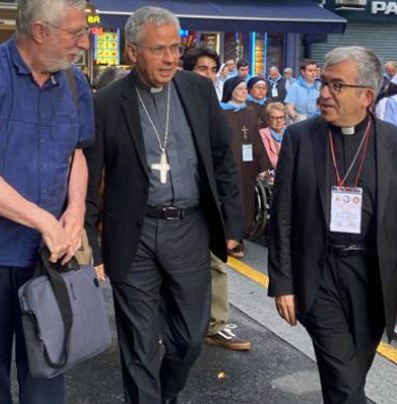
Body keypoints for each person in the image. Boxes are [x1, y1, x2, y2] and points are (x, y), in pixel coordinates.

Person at [84, 7, 244, 403]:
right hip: (132, 235)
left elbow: (224, 158)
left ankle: (165, 393)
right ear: (133, 51)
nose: (171, 58)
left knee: (190, 338)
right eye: (159, 49)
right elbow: (90, 178)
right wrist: (93, 242)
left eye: (175, 47)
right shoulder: (106, 103)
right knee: (138, 343)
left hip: (189, 228)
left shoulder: (198, 89)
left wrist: (233, 224)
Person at [0, 0, 93, 402]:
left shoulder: (74, 83)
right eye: (75, 33)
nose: (85, 41)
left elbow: (76, 153)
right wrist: (45, 220)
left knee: (48, 360)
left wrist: (75, 208)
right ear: (40, 31)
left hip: (45, 254)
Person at [268, 46, 397, 404]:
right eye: (324, 83)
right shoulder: (300, 138)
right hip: (319, 274)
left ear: (366, 96)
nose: (323, 94)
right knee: (346, 384)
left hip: (372, 279)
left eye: (336, 86)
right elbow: (282, 216)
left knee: (347, 378)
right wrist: (282, 283)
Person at [182, 46, 253, 351]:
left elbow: (225, 162)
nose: (209, 76)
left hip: (207, 202)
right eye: (202, 69)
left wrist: (234, 221)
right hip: (172, 203)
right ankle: (168, 324)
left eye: (213, 70)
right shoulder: (171, 101)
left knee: (216, 264)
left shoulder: (215, 107)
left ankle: (215, 325)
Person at [221, 76, 271, 244]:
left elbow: (256, 138)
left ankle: (241, 233)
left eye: (245, 89)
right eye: (240, 89)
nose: (244, 92)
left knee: (246, 197)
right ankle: (228, 234)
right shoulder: (221, 112)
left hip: (247, 164)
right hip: (227, 163)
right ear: (231, 91)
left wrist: (263, 165)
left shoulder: (249, 111)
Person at [285, 59, 320, 123]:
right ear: (303, 72)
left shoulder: (319, 86)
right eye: (310, 71)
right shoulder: (295, 86)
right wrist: (297, 118)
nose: (313, 73)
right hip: (300, 123)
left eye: (315, 70)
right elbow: (289, 107)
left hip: (316, 123)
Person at [260, 102, 287, 169]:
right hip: (272, 173)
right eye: (274, 118)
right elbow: (268, 159)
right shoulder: (263, 134)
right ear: (268, 119)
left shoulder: (290, 132)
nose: (278, 121)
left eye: (281, 117)